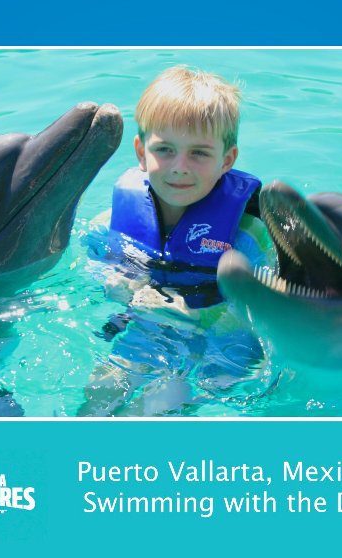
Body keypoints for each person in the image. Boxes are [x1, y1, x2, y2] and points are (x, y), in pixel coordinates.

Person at [81, 66, 276, 415]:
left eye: (199, 153)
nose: (179, 167)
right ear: (141, 152)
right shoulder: (107, 225)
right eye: (165, 150)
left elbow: (264, 317)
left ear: (226, 160)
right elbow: (91, 269)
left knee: (153, 409)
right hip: (145, 334)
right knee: (98, 395)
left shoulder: (249, 240)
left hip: (217, 352)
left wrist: (201, 318)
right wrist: (113, 283)